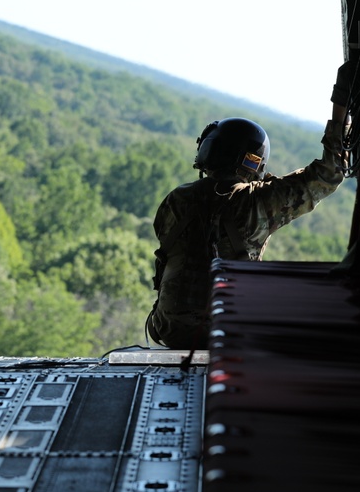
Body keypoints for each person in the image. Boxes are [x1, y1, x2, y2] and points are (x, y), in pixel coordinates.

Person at [147, 79, 349, 351]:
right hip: (228, 335)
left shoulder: (176, 200)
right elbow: (329, 173)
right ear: (253, 162)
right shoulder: (259, 201)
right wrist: (341, 109)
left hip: (169, 329)